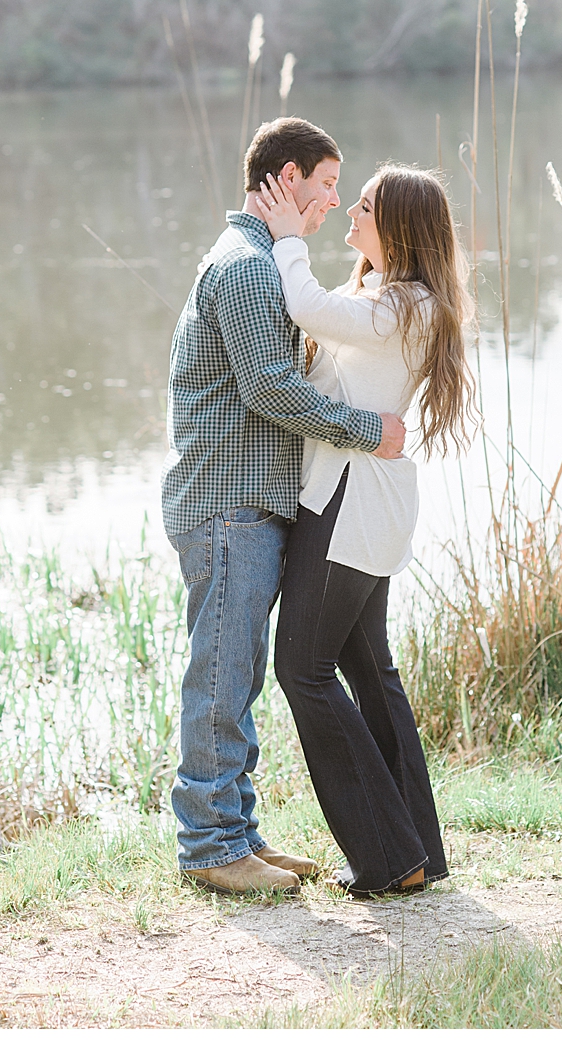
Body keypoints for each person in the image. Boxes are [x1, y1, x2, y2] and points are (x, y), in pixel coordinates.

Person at [160, 117, 407, 895]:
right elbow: (271, 389)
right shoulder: (245, 269)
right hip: (229, 504)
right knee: (223, 676)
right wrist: (370, 431)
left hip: (249, 505)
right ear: (288, 178)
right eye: (328, 184)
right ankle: (210, 845)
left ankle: (239, 834)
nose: (335, 201)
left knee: (243, 674)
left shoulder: (266, 264)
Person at [254, 162, 476, 896]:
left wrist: (289, 236)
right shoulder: (388, 300)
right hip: (356, 502)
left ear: (401, 229)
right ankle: (416, 849)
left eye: (368, 204)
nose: (352, 208)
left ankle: (389, 854)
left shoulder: (404, 306)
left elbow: (308, 304)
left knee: (304, 669)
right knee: (368, 670)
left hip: (351, 508)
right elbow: (320, 351)